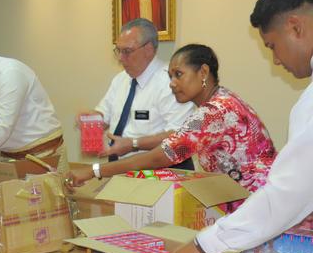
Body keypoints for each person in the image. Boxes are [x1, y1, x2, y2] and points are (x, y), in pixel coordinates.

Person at [170, 0, 313, 253]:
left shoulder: (218, 107)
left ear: (295, 27)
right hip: (253, 213)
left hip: (259, 209)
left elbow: (286, 197)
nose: (275, 59)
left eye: (273, 46)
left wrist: (203, 245)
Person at [68, 44, 277, 211]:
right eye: (170, 76)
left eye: (178, 74)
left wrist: (93, 171)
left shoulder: (213, 112)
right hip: (250, 199)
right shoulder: (220, 99)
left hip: (258, 202)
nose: (172, 83)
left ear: (203, 72)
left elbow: (158, 157)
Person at [80, 18, 194, 169]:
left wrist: (133, 144)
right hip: (120, 170)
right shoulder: (120, 80)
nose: (120, 58)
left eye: (127, 51)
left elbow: (179, 136)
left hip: (160, 173)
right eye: (118, 50)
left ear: (148, 49)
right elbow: (104, 116)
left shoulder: (171, 82)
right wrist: (90, 121)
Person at [0, 39, 68, 172]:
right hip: (8, 157)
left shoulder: (10, 73)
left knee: (51, 193)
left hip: (43, 154)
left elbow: (3, 127)